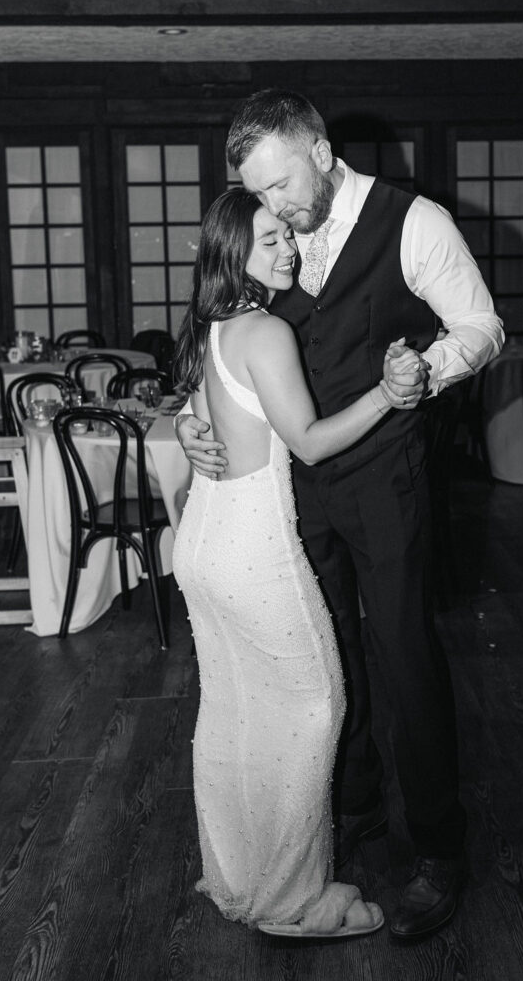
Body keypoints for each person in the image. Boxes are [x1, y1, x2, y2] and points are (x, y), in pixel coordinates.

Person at [176, 89, 505, 938]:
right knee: (324, 653)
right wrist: (188, 420)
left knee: (401, 650)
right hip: (291, 486)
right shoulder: (265, 246)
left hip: (385, 475)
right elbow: (223, 345)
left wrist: (424, 371)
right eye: (259, 198)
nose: (273, 209)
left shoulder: (414, 221)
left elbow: (480, 325)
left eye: (281, 186)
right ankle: (349, 804)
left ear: (319, 149)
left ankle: (435, 848)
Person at [173, 187, 419, 937]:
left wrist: (183, 425)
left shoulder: (211, 326)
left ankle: (233, 876)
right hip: (253, 549)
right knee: (317, 709)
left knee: (235, 715)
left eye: (288, 235)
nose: (287, 248)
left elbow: (193, 409)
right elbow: (309, 440)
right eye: (269, 239)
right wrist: (387, 392)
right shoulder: (265, 330)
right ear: (232, 252)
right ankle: (292, 903)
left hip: (202, 545)